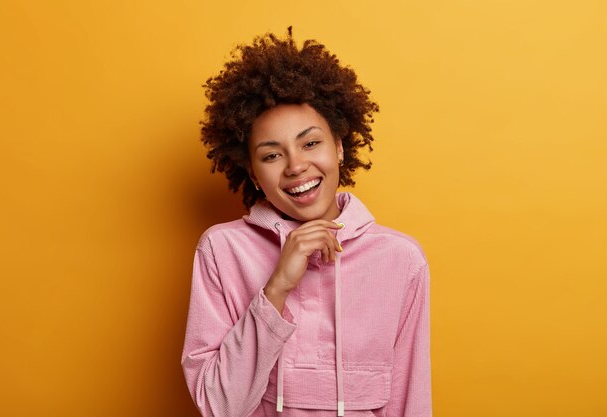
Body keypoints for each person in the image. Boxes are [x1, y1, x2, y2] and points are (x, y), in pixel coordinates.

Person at [181, 28, 432, 417]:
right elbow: (220, 407)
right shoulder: (222, 250)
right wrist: (277, 286)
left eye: (311, 143)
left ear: (339, 146)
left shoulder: (401, 259)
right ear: (252, 173)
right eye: (271, 155)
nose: (297, 166)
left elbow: (408, 402)